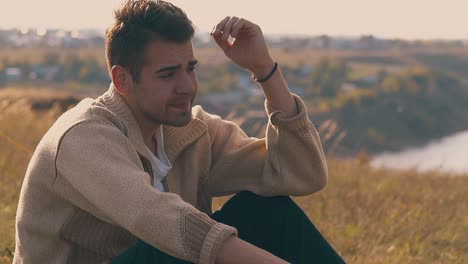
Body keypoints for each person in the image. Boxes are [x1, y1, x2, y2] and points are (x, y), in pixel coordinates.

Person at [13, 0, 345, 263]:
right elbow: (156, 218)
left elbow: (302, 175)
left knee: (268, 213)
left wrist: (265, 70)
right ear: (122, 79)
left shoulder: (193, 132)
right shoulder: (82, 137)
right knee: (176, 244)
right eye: (168, 74)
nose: (187, 86)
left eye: (190, 69)